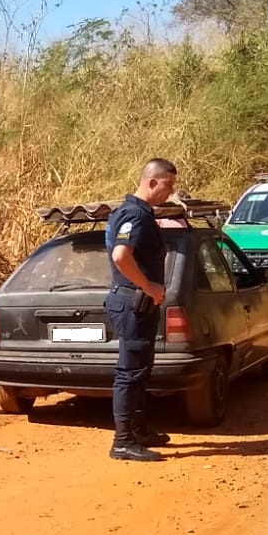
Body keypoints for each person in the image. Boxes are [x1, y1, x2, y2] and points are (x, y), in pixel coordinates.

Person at [104, 158, 177, 462]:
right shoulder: (135, 214)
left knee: (140, 370)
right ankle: (122, 442)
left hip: (138, 303)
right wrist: (148, 286)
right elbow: (121, 256)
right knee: (129, 373)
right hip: (133, 302)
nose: (170, 192)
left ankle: (138, 430)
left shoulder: (134, 212)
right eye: (168, 185)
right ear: (151, 182)